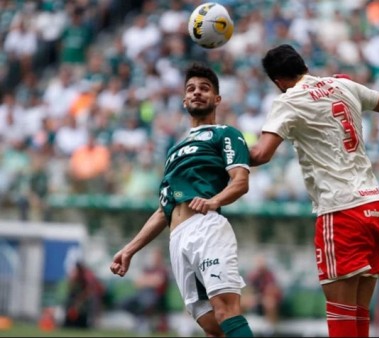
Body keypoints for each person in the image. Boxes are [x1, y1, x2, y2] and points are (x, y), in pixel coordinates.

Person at [249, 44, 379, 337]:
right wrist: (349, 89)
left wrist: (221, 149)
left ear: (278, 82)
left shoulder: (289, 100)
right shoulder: (342, 84)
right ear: (304, 66)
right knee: (359, 313)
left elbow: (261, 155)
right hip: (374, 206)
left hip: (340, 209)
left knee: (341, 313)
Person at [110, 64, 254, 337]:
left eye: (205, 88)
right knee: (211, 324)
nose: (197, 92)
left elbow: (240, 182)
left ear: (217, 99)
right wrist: (129, 249)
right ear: (184, 100)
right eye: (191, 89)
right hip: (177, 238)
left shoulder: (226, 133)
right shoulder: (174, 149)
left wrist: (213, 202)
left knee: (226, 310)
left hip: (206, 228)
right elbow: (164, 210)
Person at [119, 247, 170, 333]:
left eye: (156, 256)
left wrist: (145, 280)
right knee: (124, 303)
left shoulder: (163, 270)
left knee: (147, 302)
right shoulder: (147, 269)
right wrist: (151, 280)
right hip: (141, 295)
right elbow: (137, 283)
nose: (154, 258)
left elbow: (158, 282)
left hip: (156, 297)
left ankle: (143, 322)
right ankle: (140, 319)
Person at [63, 261, 104, 329]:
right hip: (75, 298)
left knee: (83, 310)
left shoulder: (86, 276)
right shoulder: (75, 275)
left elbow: (89, 290)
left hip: (84, 299)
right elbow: (71, 288)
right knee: (70, 308)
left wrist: (79, 301)